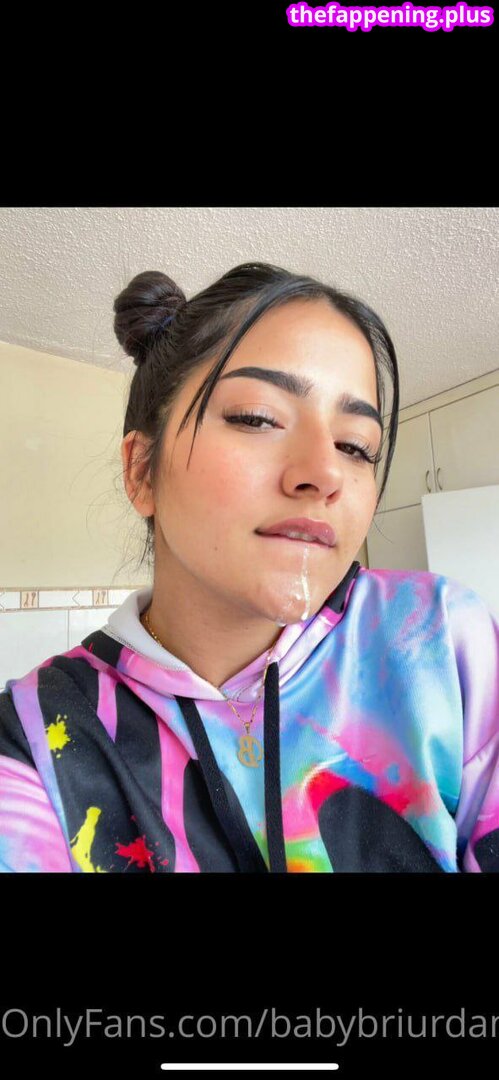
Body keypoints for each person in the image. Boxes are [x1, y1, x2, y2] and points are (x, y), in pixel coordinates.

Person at [1, 261, 498, 873]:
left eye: (356, 447)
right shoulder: (38, 738)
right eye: (258, 418)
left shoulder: (442, 642)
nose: (326, 474)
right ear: (141, 471)